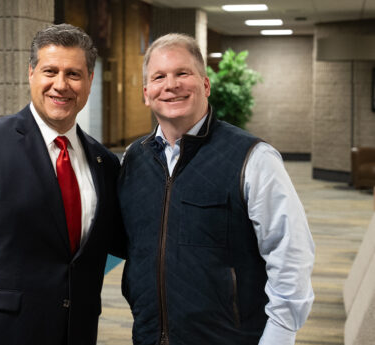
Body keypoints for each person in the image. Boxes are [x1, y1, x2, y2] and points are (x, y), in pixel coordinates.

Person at [117, 33, 314, 345]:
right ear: (146, 93)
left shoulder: (254, 158)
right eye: (159, 77)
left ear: (205, 85)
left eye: (183, 73)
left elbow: (291, 253)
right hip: (149, 335)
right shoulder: (133, 160)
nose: (171, 85)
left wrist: (280, 335)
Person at [0, 24, 122, 345]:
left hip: (77, 332)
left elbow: (120, 240)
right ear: (31, 73)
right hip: (6, 334)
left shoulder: (103, 161)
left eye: (74, 74)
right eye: (50, 71)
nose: (60, 85)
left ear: (90, 81)